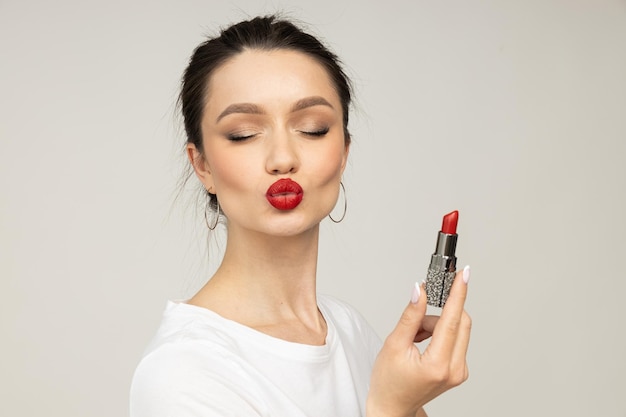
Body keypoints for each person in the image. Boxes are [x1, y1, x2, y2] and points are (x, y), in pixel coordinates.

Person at [130, 15, 472, 417]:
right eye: (243, 133)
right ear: (202, 165)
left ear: (344, 152)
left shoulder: (350, 331)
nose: (283, 158)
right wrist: (393, 406)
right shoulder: (181, 374)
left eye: (312, 129)